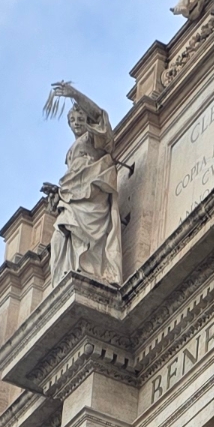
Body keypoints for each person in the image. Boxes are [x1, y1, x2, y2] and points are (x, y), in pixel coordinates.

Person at [42, 86, 123, 285]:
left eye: (80, 118)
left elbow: (99, 116)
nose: (77, 122)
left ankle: (89, 269)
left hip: (90, 197)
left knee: (73, 233)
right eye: (73, 120)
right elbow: (73, 178)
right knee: (58, 238)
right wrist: (58, 193)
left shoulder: (92, 138)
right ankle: (64, 279)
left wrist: (75, 95)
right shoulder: (72, 149)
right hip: (72, 198)